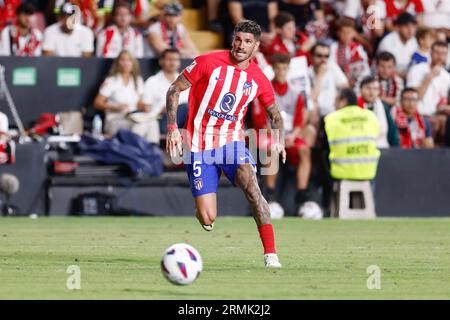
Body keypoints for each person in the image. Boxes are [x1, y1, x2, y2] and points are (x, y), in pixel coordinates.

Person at [165, 20, 285, 268]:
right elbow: (174, 90)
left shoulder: (258, 78)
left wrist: (279, 139)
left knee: (253, 189)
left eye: (248, 42)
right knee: (207, 218)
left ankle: (271, 254)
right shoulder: (208, 62)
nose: (241, 46)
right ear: (233, 40)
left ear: (256, 46)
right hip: (199, 145)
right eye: (238, 39)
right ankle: (204, 208)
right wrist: (173, 128)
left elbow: (274, 113)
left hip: (232, 142)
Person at [260, 54, 317, 217]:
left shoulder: (296, 92)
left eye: (284, 68)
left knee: (305, 149)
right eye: (278, 68)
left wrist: (292, 136)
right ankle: (270, 196)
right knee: (271, 149)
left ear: (288, 69)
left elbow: (299, 122)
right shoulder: (265, 91)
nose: (281, 72)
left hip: (290, 136)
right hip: (271, 135)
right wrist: (279, 138)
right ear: (273, 69)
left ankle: (302, 196)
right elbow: (261, 122)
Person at [93, 50, 159, 143]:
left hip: (133, 116)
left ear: (133, 63)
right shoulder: (111, 80)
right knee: (141, 124)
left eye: (129, 60)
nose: (126, 63)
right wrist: (114, 106)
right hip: (116, 119)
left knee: (152, 122)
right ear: (117, 63)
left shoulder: (137, 80)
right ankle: (135, 150)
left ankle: (153, 149)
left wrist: (145, 107)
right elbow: (97, 103)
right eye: (122, 60)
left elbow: (139, 103)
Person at [323, 88, 381, 182]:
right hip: (368, 173)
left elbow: (325, 145)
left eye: (336, 100)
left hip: (341, 174)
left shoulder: (332, 118)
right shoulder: (371, 116)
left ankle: (327, 196)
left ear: (343, 101)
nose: (334, 104)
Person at [407, 41, 450, 145]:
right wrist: (429, 78)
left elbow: (444, 102)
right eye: (437, 52)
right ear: (430, 53)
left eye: (443, 53)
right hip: (418, 114)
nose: (440, 56)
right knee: (434, 123)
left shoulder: (447, 77)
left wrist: (445, 107)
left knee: (444, 121)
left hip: (437, 115)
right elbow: (412, 99)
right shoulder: (417, 69)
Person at [142, 48, 189, 136]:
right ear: (161, 61)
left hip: (183, 120)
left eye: (175, 60)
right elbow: (146, 108)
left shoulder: (185, 81)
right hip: (161, 121)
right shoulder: (152, 81)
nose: (172, 63)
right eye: (169, 59)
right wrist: (161, 110)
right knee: (184, 107)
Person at [309, 41, 349, 119]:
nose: (323, 59)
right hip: (316, 114)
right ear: (311, 57)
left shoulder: (331, 67)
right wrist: (320, 76)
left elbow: (345, 86)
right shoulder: (307, 72)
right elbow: (312, 98)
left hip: (333, 111)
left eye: (326, 56)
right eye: (319, 56)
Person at [358, 76, 400, 148]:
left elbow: (392, 131)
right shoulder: (354, 107)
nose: (371, 92)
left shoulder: (384, 107)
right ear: (361, 90)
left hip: (382, 147)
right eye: (368, 88)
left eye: (375, 89)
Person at [329, 19, 370, 87]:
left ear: (353, 33)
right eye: (343, 32)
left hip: (356, 83)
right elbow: (331, 66)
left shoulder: (358, 48)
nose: (346, 35)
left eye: (349, 32)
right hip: (338, 83)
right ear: (338, 33)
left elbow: (364, 69)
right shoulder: (333, 47)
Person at [377, 12, 418, 76]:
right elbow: (385, 69)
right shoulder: (387, 42)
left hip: (407, 75)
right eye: (406, 26)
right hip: (388, 76)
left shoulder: (413, 40)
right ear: (398, 27)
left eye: (413, 27)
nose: (410, 30)